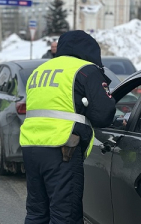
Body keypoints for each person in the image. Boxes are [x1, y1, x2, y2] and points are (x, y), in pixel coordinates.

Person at [20, 30, 116, 224]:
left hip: (31, 148)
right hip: (63, 150)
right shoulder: (86, 70)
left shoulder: (40, 71)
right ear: (90, 50)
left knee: (37, 212)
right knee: (65, 215)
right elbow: (104, 115)